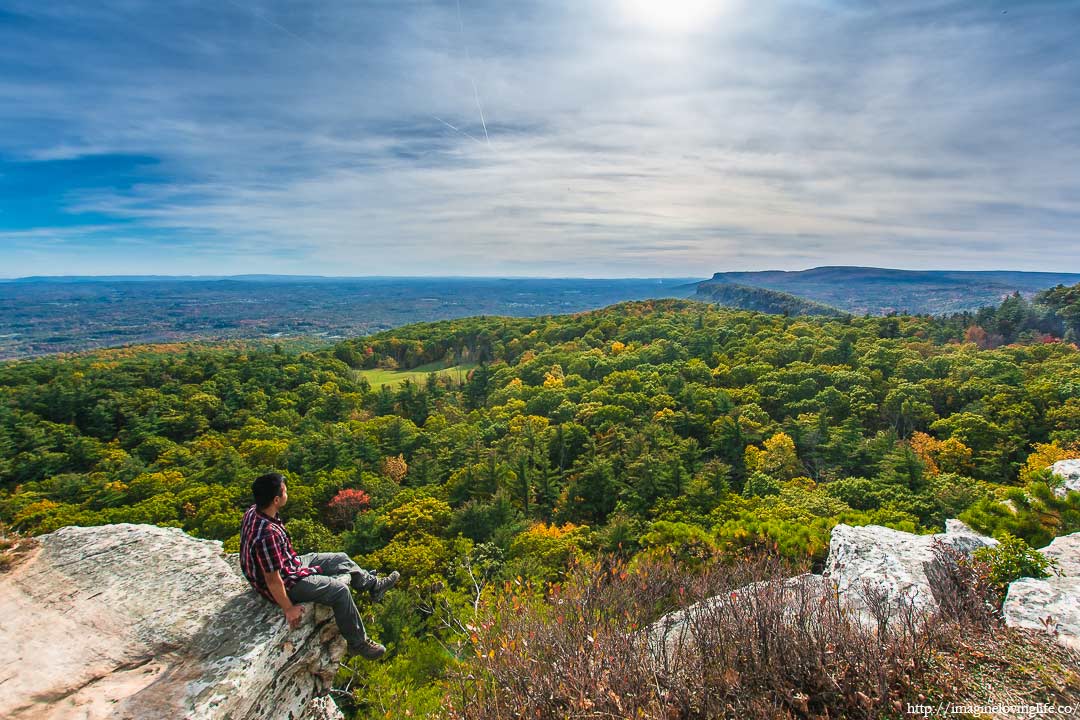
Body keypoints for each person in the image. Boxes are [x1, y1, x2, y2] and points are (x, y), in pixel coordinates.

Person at [239, 472, 399, 660]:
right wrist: (288, 608)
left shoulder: (255, 511)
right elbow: (273, 580)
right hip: (284, 581)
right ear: (276, 499)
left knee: (340, 558)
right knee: (339, 591)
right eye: (284, 490)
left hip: (289, 563)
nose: (287, 492)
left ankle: (373, 586)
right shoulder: (267, 534)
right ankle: (358, 643)